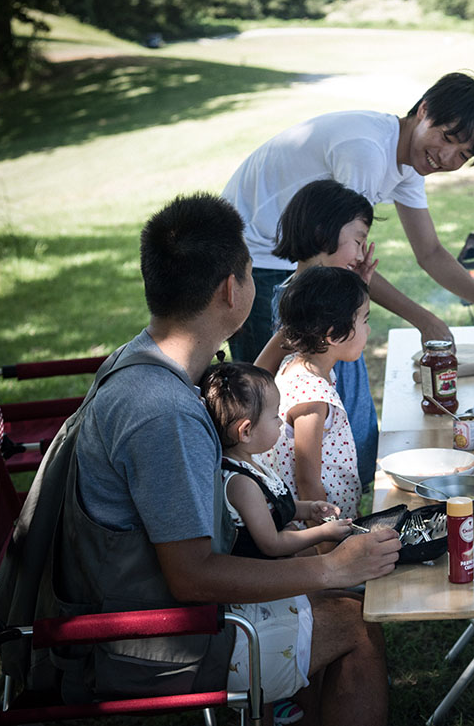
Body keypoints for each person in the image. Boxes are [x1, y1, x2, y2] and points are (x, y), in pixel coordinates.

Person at [72, 194, 399, 723]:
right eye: (250, 271)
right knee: (357, 624)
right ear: (232, 288)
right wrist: (327, 569)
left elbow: (246, 389)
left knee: (344, 608)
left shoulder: (148, 362)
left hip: (154, 610)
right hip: (154, 641)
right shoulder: (164, 415)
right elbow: (193, 578)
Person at [223, 71, 474, 363]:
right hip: (255, 256)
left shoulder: (410, 161)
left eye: (463, 156)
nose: (447, 158)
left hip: (297, 255)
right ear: (424, 110)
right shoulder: (367, 151)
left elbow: (430, 252)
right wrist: (425, 320)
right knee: (263, 389)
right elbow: (345, 258)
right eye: (447, 137)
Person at [201, 361, 355, 725]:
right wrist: (324, 532)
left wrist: (308, 507)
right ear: (246, 430)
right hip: (259, 601)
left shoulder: (253, 464)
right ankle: (272, 705)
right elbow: (271, 543)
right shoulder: (240, 483)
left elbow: (278, 508)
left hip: (272, 584)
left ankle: (294, 702)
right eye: (274, 416)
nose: (281, 422)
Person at [255, 179, 381, 489]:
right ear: (322, 232)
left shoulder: (334, 295)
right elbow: (269, 365)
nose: (362, 251)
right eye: (358, 240)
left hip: (345, 442)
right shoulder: (296, 300)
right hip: (323, 447)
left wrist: (357, 290)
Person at [267, 266, 370, 521]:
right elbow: (308, 483)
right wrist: (328, 549)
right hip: (315, 537)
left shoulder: (296, 364)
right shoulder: (312, 397)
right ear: (334, 333)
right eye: (365, 320)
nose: (368, 330)